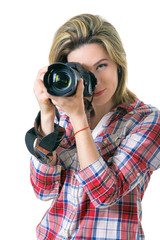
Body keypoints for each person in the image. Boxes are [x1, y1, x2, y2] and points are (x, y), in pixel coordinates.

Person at [26, 14, 160, 240]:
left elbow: (106, 194)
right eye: (81, 71)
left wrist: (78, 118)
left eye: (101, 66)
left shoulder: (147, 120)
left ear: (119, 63)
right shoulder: (63, 113)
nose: (94, 80)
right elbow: (43, 189)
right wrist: (47, 115)